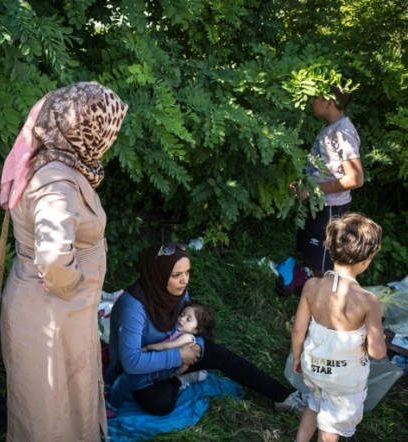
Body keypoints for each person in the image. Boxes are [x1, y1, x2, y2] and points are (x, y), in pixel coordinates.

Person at [0, 82, 129, 441]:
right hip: (51, 315)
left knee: (56, 408)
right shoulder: (57, 179)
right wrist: (73, 286)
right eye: (107, 129)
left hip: (53, 312)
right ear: (83, 129)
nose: (109, 139)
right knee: (51, 417)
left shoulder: (48, 159)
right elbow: (55, 259)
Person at [106, 242, 306, 416]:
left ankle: (283, 397)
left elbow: (190, 326)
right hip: (143, 367)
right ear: (157, 275)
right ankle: (180, 379)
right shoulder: (132, 307)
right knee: (161, 403)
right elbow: (131, 362)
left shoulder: (176, 292)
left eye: (187, 272)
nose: (185, 281)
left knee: (222, 356)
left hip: (176, 351)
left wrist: (197, 346)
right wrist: (179, 356)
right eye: (176, 275)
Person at [291, 213, 385, 442]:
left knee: (314, 404)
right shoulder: (368, 301)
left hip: (314, 366)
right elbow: (377, 352)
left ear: (330, 248)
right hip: (344, 380)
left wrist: (296, 357)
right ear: (366, 260)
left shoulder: (312, 285)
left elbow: (298, 329)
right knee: (331, 425)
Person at [291, 82, 364, 277]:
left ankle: (324, 302)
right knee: (315, 258)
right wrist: (305, 185)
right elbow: (327, 170)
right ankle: (316, 297)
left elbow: (355, 179)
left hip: (330, 208)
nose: (311, 100)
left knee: (323, 264)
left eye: (316, 97)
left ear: (329, 103)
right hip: (320, 204)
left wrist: (314, 190)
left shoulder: (342, 133)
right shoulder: (330, 128)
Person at [104, 301, 213, 416]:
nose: (182, 319)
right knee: (119, 362)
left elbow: (167, 346)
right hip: (155, 359)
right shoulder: (178, 330)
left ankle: (112, 406)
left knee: (127, 379)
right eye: (182, 315)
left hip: (159, 369)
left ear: (196, 330)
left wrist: (148, 347)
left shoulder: (187, 337)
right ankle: (106, 386)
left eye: (188, 319)